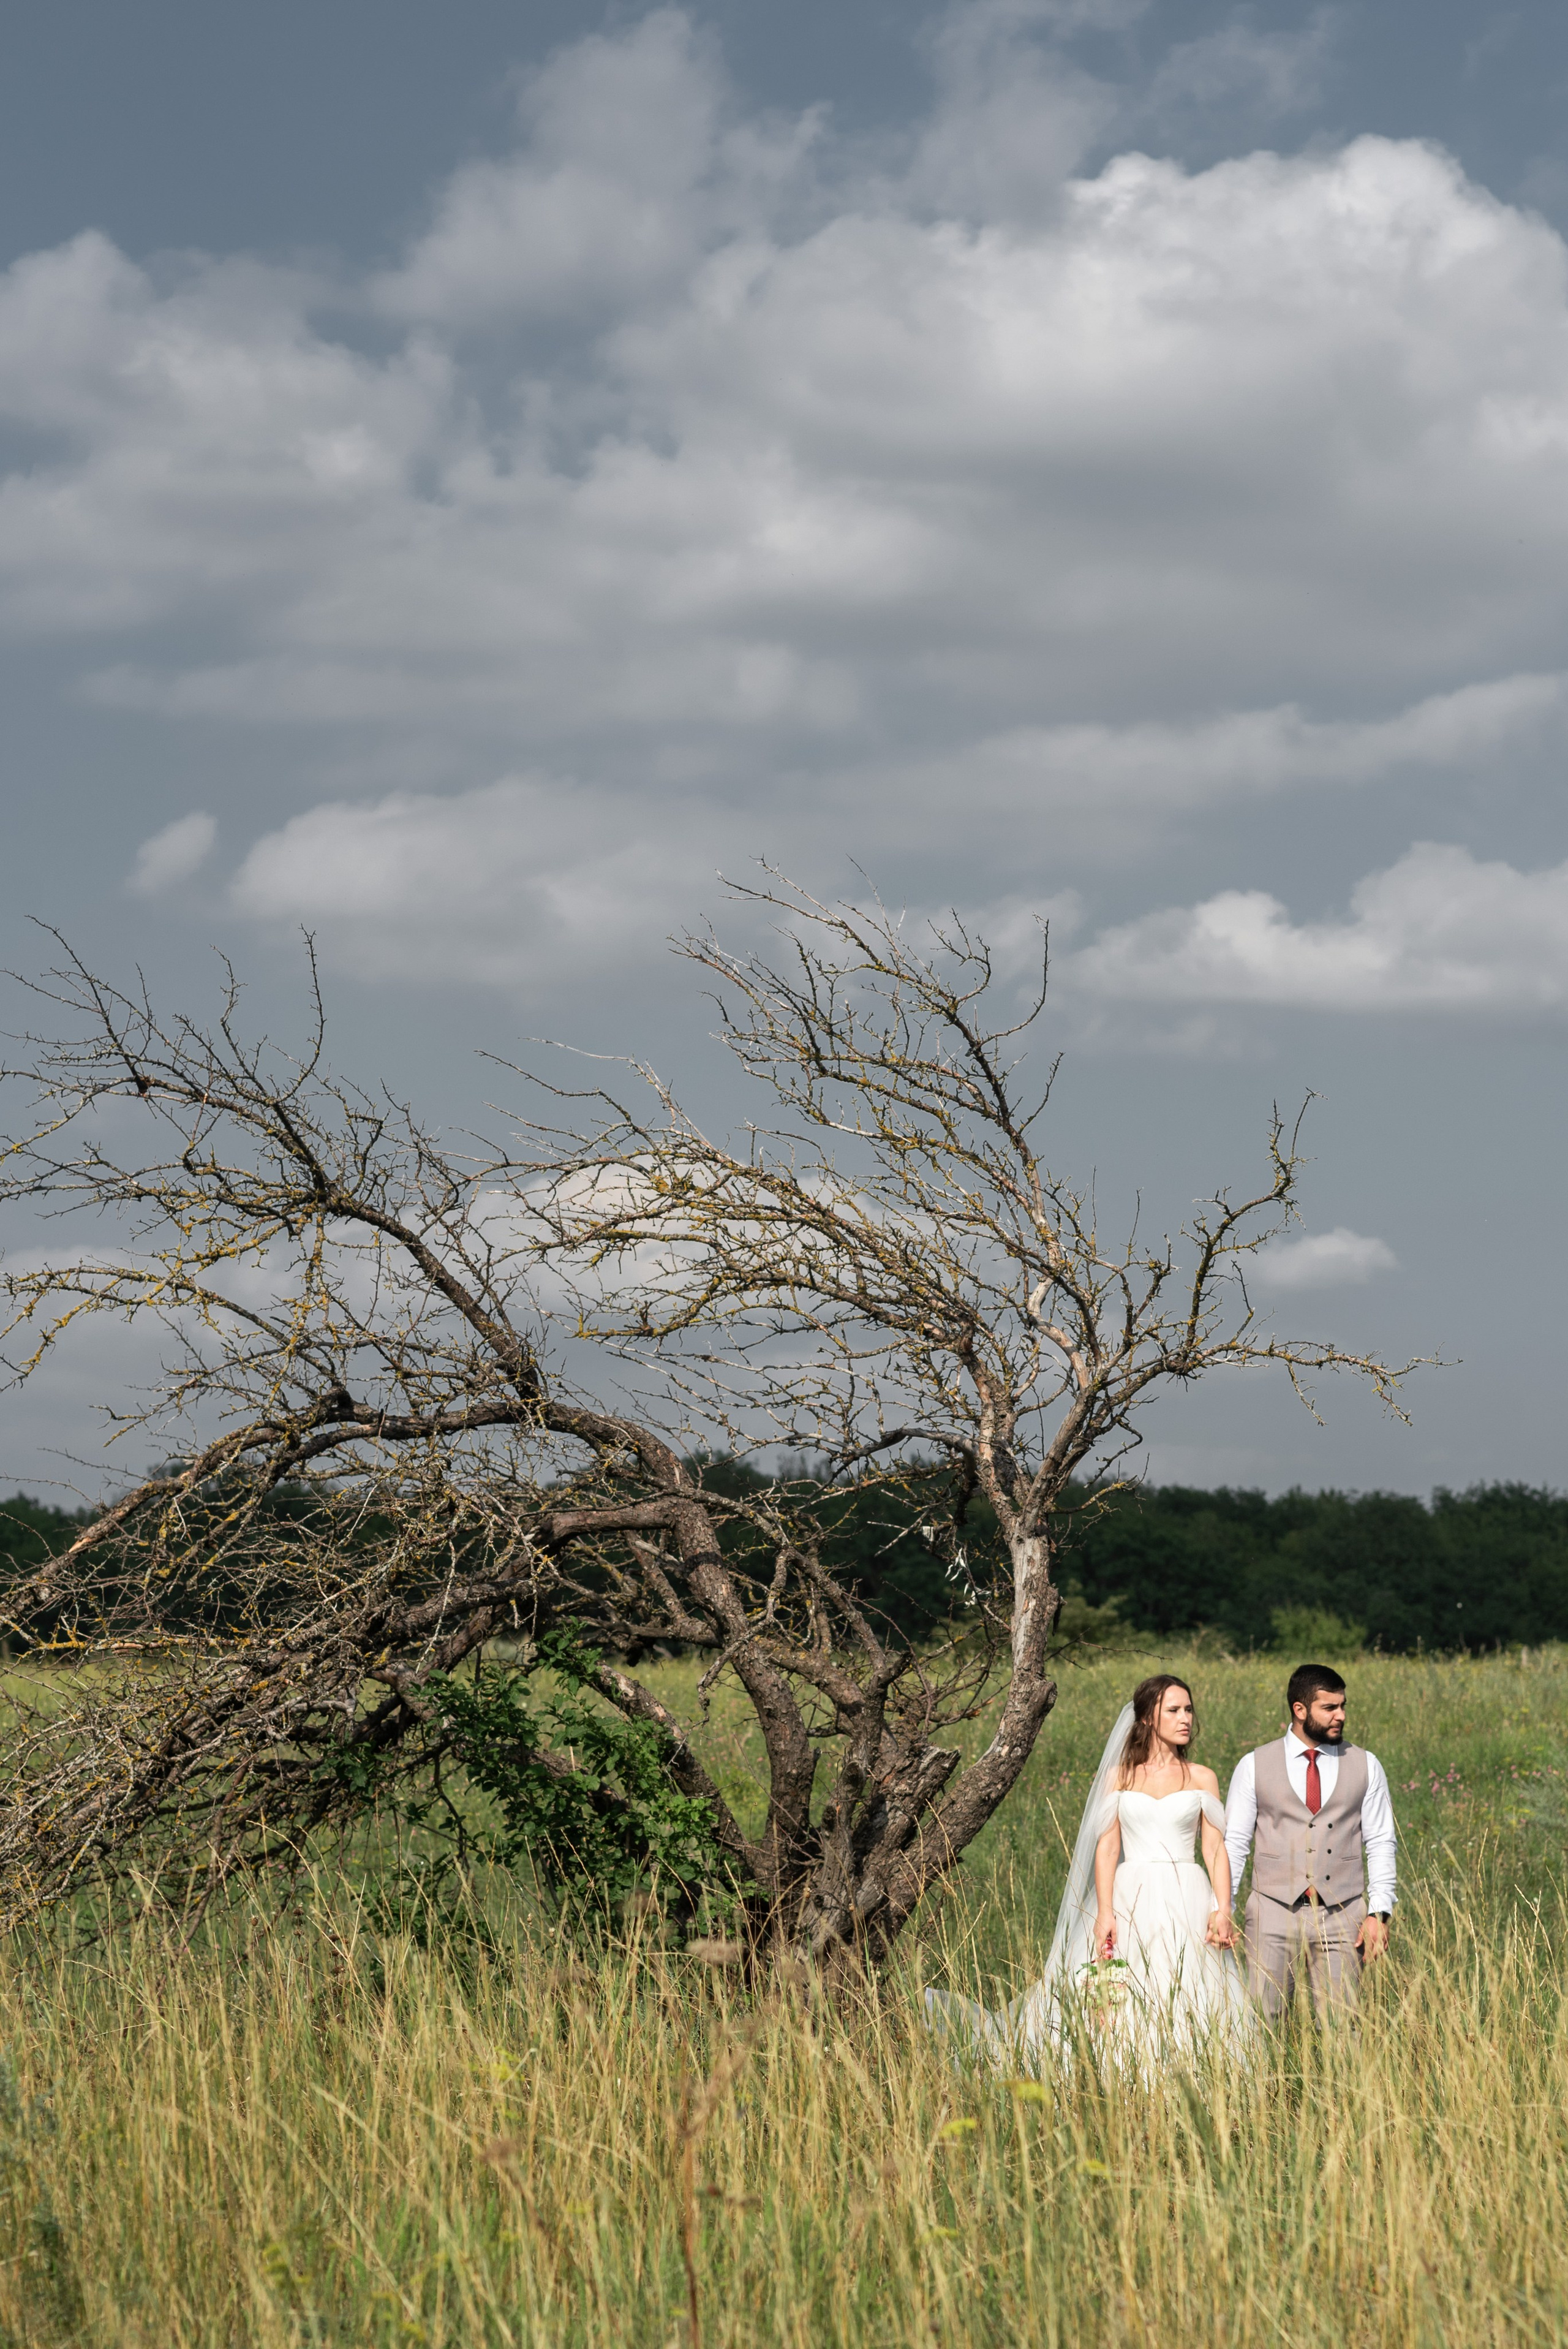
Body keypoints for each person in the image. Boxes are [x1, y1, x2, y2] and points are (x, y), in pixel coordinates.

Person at [925, 1673, 1253, 2070]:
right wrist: (1105, 1912)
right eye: (1173, 1710)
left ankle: (1191, 2070)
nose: (1185, 1718)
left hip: (1188, 1895)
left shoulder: (1202, 1776)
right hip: (1131, 1894)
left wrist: (1222, 1907)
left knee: (1190, 1985)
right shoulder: (1120, 1776)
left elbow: (1215, 1849)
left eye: (1188, 1710)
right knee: (1122, 1986)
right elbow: (1108, 1848)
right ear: (1147, 1718)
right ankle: (1121, 2072)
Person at [1223, 1663, 1396, 2020]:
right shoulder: (1253, 1765)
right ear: (1300, 1710)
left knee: (1344, 2025)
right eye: (1329, 1708)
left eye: (1343, 1706)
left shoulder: (1367, 1765)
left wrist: (1379, 1912)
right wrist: (1224, 1906)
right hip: (1271, 1911)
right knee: (1263, 2021)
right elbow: (1235, 1843)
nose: (1341, 1716)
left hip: (1343, 1913)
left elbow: (1381, 1841)